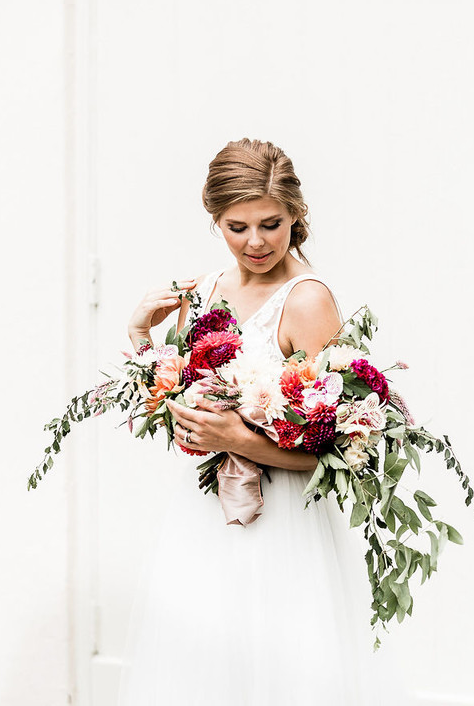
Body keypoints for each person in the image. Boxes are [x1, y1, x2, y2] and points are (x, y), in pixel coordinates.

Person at [118, 138, 409, 705]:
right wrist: (140, 337)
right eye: (237, 227)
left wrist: (240, 439)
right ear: (215, 222)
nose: (255, 242)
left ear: (295, 215)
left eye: (271, 224)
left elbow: (341, 448)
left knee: (283, 668)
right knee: (203, 667)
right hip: (206, 514)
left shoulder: (306, 301)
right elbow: (176, 402)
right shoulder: (204, 292)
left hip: (284, 522)